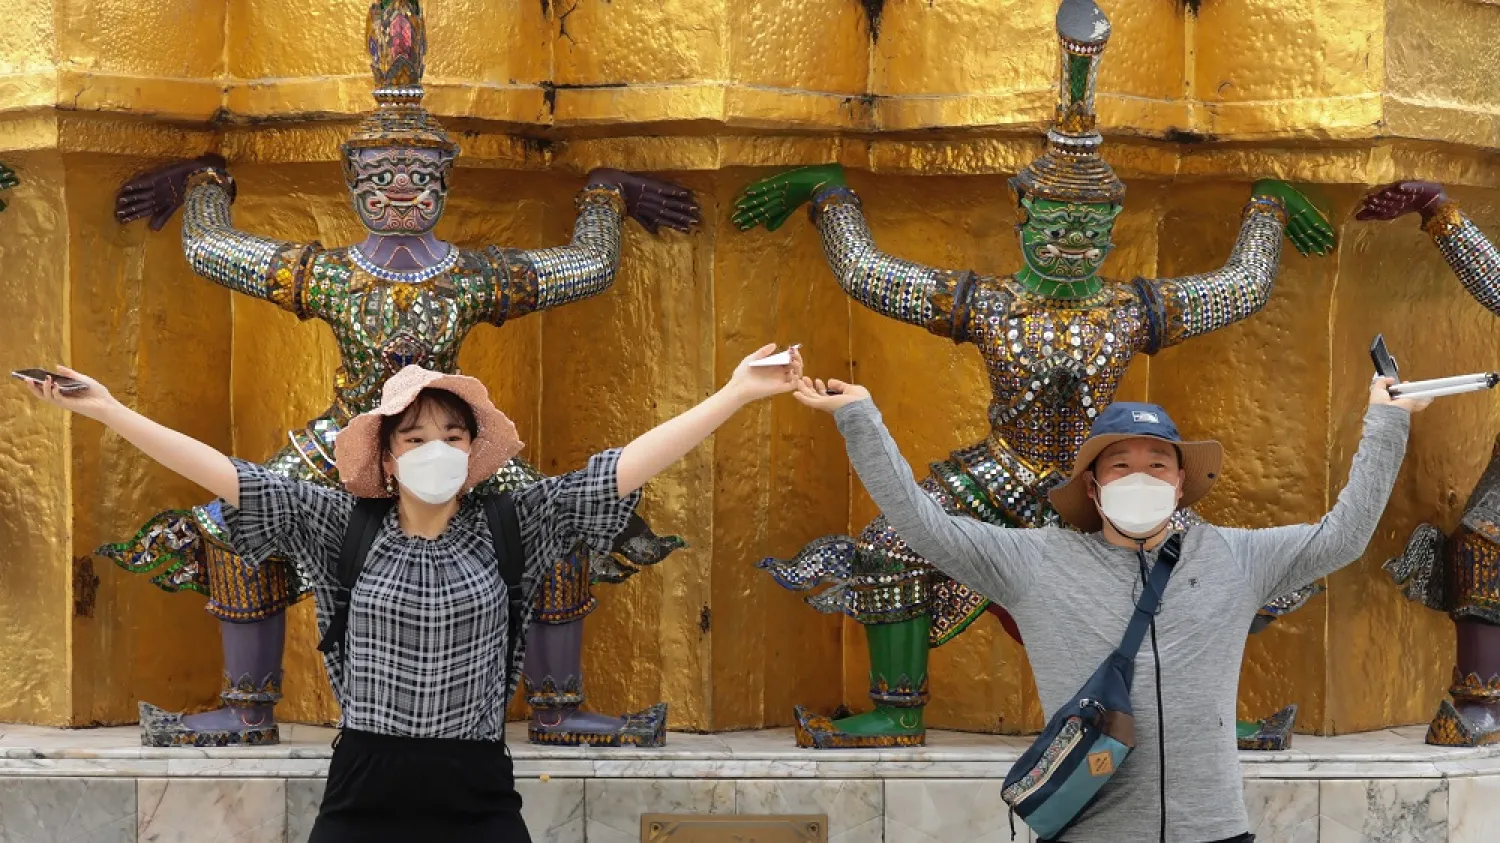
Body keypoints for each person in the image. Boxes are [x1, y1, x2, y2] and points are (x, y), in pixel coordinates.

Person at [18, 343, 802, 843]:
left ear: (474, 450)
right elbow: (231, 477)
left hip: (476, 787)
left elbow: (619, 469)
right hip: (366, 785)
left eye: (454, 435)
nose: (438, 449)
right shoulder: (340, 525)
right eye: (417, 436)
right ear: (387, 456)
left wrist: (733, 393)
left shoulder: (513, 523)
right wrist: (109, 409)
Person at [792, 373, 1427, 843]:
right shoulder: (1035, 561)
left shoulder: (1237, 557)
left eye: (1158, 464)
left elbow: (1344, 536)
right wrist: (859, 417)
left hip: (1212, 829)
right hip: (1087, 830)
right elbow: (922, 526)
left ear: (1180, 481)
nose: (1141, 476)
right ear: (1093, 487)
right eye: (1119, 465)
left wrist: (1385, 421)